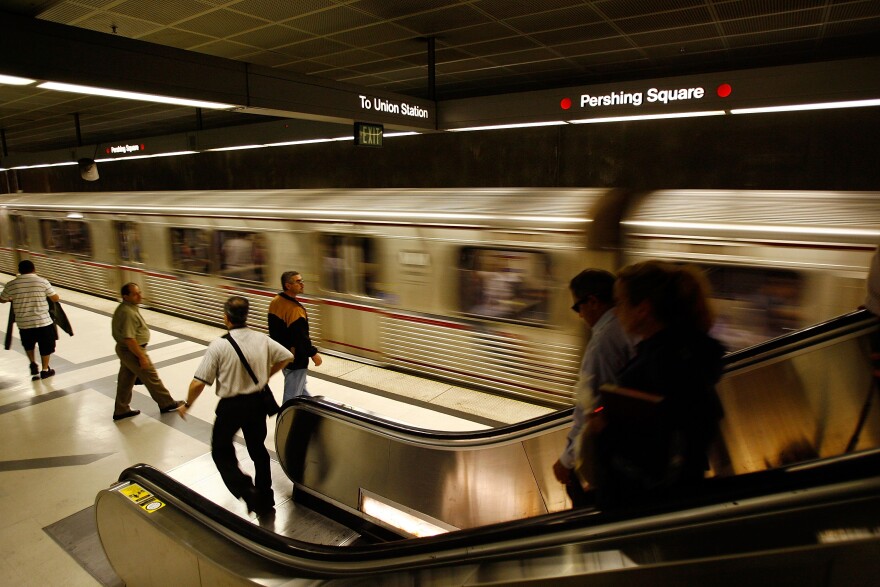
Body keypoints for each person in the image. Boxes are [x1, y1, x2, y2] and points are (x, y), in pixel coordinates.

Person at [585, 260, 724, 508]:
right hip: (686, 495)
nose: (616, 312)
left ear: (643, 310)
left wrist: (601, 430)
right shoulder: (691, 355)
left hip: (650, 509)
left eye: (620, 302)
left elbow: (643, 458)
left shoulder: (652, 371)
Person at [179, 296, 292, 516]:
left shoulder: (219, 345)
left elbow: (198, 382)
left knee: (221, 451)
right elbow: (286, 356)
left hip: (231, 407)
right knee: (258, 451)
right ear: (246, 316)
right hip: (257, 403)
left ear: (226, 317)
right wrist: (265, 377)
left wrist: (187, 404)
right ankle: (265, 498)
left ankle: (248, 492)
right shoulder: (261, 338)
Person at [552, 269, 632, 507]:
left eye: (578, 307)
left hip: (610, 454)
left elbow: (593, 407)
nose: (579, 316)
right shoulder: (626, 329)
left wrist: (567, 460)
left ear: (593, 302)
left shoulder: (602, 343)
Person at [110, 283, 184, 420]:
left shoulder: (128, 307)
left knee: (125, 381)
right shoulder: (127, 313)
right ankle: (166, 403)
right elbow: (129, 339)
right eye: (135, 294)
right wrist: (141, 357)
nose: (140, 296)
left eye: (140, 292)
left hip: (126, 350)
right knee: (151, 377)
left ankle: (121, 409)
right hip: (132, 350)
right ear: (125, 297)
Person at [1, 260, 61, 380]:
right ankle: (45, 370)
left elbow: (2, 299)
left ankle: (33, 363)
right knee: (46, 346)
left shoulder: (11, 284)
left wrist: (11, 299)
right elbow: (55, 298)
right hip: (43, 321)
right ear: (34, 269)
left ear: (19, 271)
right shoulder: (42, 281)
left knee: (29, 344)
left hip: (24, 323)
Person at [268, 271, 322, 403]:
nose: (302, 284)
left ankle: (312, 411)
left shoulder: (276, 301)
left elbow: (274, 332)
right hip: (295, 359)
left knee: (301, 390)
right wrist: (313, 353)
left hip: (282, 355)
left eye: (302, 281)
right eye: (298, 282)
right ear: (288, 285)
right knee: (291, 399)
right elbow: (300, 337)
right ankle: (286, 421)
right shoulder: (294, 310)